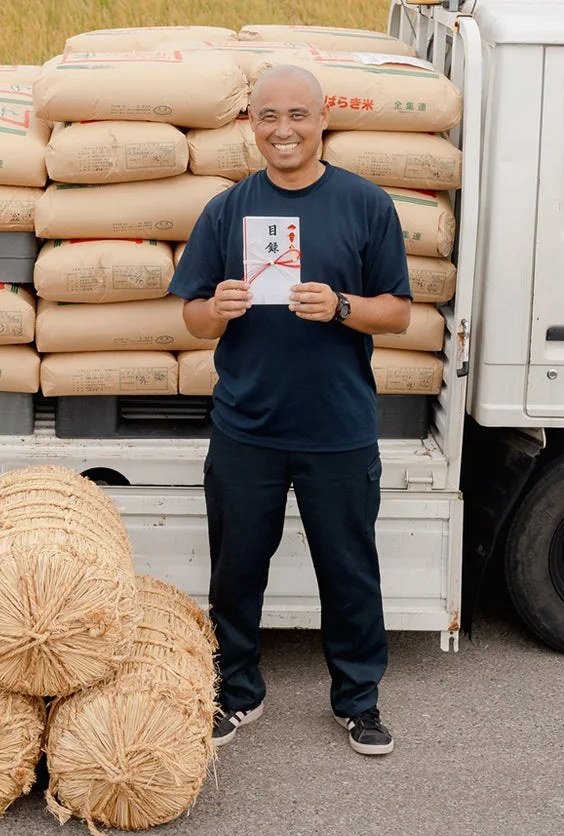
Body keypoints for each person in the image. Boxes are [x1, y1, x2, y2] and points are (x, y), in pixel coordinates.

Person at [171, 65, 414, 757]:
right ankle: (238, 692)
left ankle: (358, 700)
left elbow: (396, 312)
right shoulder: (227, 210)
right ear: (252, 124)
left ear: (323, 120)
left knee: (350, 572)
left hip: (337, 427)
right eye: (269, 116)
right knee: (238, 570)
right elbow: (191, 318)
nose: (284, 129)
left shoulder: (366, 206)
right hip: (246, 426)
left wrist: (340, 307)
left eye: (297, 115)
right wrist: (213, 309)